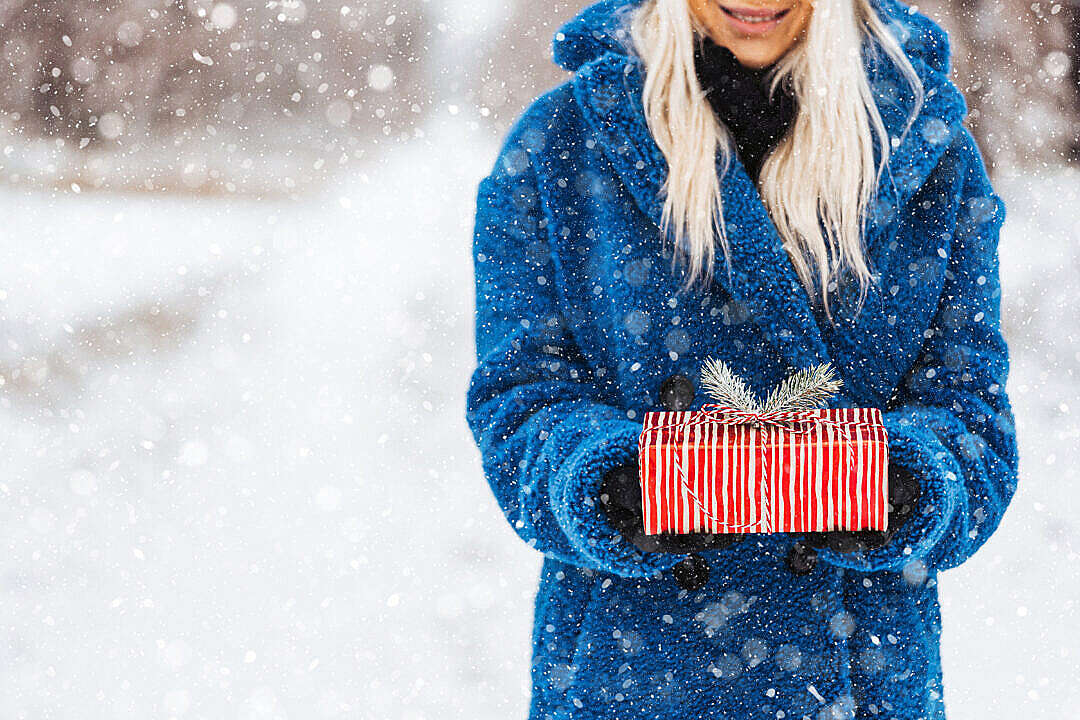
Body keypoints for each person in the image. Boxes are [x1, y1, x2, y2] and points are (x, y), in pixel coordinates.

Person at [465, 0, 1018, 717]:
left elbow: (974, 416)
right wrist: (615, 484)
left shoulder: (924, 140)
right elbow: (518, 400)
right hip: (632, 669)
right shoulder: (559, 143)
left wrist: (899, 489)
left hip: (859, 669)